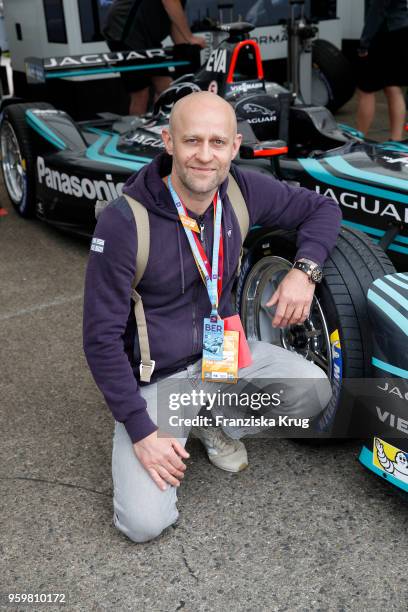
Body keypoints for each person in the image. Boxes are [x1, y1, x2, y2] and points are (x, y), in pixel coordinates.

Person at [83, 91, 342, 543]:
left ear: (235, 146)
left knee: (314, 391)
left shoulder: (242, 189)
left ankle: (211, 418)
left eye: (218, 143)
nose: (205, 156)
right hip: (157, 376)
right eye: (192, 141)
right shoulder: (124, 222)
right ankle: (172, 420)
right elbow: (100, 340)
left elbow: (323, 209)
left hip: (220, 353)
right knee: (144, 525)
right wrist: (141, 429)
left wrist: (305, 273)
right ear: (168, 142)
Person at [103, 0, 206, 115]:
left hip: (147, 35)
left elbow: (174, 20)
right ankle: (137, 130)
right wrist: (189, 37)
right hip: (125, 28)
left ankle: (159, 126)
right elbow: (170, 3)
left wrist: (187, 46)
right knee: (141, 94)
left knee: (166, 89)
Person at [356, 0, 408, 141]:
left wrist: (364, 42)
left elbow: (377, 9)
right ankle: (395, 140)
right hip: (400, 29)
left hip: (384, 33)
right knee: (392, 87)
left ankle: (358, 139)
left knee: (366, 89)